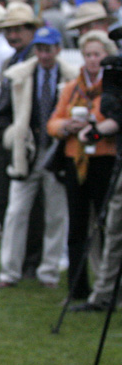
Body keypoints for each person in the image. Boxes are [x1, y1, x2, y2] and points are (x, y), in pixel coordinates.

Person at [0, 26, 75, 289]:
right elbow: (3, 111)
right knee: (16, 212)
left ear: (58, 50)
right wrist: (12, 133)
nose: (43, 55)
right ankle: (9, 271)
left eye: (48, 50)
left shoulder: (70, 78)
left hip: (57, 153)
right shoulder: (20, 76)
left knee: (56, 215)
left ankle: (49, 272)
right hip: (26, 152)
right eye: (39, 49)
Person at [47, 30, 119, 302]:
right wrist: (68, 126)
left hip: (104, 159)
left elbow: (114, 120)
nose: (91, 60)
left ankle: (106, 286)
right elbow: (53, 123)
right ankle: (77, 289)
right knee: (77, 226)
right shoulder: (71, 88)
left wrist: (95, 130)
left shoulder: (112, 88)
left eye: (97, 55)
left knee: (105, 225)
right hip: (75, 159)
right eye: (87, 55)